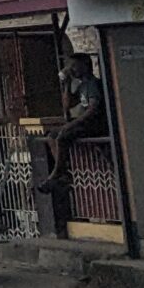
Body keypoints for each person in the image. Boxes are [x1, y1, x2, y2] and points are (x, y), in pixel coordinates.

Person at [36, 51, 108, 192]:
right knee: (52, 136)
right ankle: (63, 172)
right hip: (83, 122)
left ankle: (56, 173)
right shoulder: (81, 85)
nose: (72, 69)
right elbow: (67, 105)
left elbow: (93, 109)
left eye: (75, 66)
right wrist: (67, 84)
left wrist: (73, 124)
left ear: (85, 66)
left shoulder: (92, 84)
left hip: (94, 123)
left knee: (63, 136)